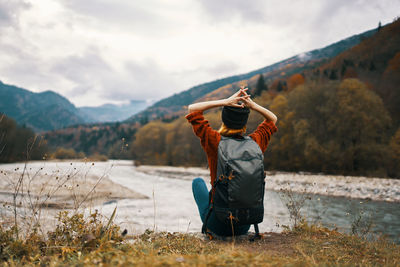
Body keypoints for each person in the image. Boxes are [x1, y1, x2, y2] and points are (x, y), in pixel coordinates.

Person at [185, 86, 278, 236]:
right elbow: (272, 119)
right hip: (245, 224)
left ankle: (211, 225)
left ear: (223, 120)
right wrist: (253, 105)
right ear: (244, 123)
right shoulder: (255, 142)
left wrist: (225, 102)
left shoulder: (215, 141)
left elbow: (192, 109)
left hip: (218, 224)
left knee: (197, 182)